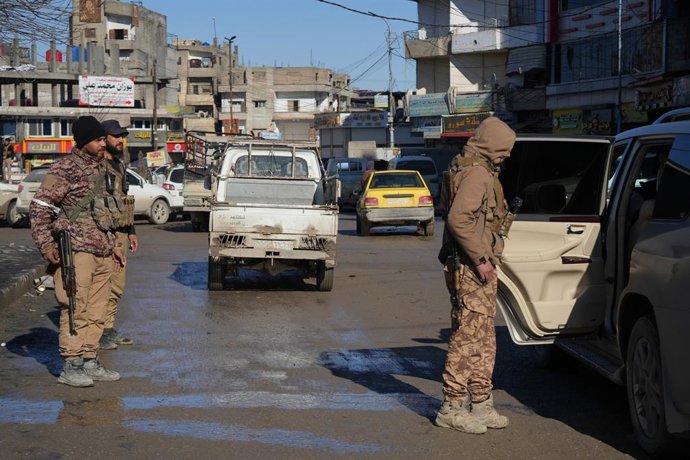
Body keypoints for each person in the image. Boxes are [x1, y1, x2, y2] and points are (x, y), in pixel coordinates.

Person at [30, 116, 127, 387]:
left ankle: (89, 359)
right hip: (77, 251)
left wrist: (116, 246)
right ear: (85, 141)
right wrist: (47, 245)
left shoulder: (102, 169)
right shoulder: (66, 169)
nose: (102, 144)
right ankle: (71, 365)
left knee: (97, 310)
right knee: (75, 308)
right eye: (97, 140)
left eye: (101, 139)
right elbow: (40, 208)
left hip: (103, 251)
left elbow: (109, 211)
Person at [435, 117, 516, 434]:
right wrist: (482, 259)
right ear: (493, 145)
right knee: (467, 339)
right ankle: (452, 407)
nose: (507, 156)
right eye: (505, 150)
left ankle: (481, 404)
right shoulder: (477, 175)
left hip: (477, 265)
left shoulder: (477, 169)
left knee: (484, 338)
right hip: (470, 268)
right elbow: (459, 221)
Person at [100, 119, 137, 350]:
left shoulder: (119, 165)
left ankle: (108, 327)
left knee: (117, 285)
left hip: (121, 233)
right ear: (104, 139)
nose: (121, 140)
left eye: (122, 136)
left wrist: (131, 231)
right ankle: (100, 331)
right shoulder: (99, 167)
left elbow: (124, 202)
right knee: (105, 284)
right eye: (116, 136)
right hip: (106, 234)